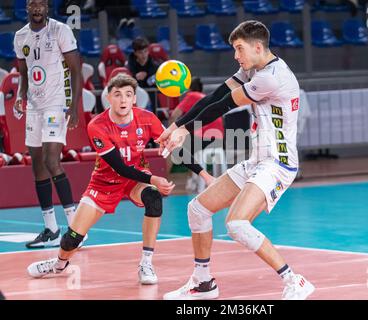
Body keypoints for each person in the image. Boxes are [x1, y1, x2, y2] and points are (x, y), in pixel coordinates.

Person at [157, 20, 315, 300]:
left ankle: (295, 280)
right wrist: (176, 126)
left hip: (278, 165)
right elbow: (215, 95)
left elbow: (223, 106)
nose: (236, 55)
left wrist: (184, 130)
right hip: (257, 161)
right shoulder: (253, 69)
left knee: (237, 224)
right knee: (198, 210)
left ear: (257, 47)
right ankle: (203, 283)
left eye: (239, 49)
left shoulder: (271, 77)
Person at [26, 74, 176, 284]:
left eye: (128, 95)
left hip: (135, 181)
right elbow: (119, 167)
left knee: (153, 199)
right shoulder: (97, 125)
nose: (123, 100)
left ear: (134, 98)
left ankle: (146, 263)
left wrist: (205, 175)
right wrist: (153, 179)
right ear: (108, 98)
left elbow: (174, 147)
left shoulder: (147, 118)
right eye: (117, 95)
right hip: (104, 183)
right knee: (72, 239)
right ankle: (58, 264)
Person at [13, 0, 83, 249]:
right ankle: (51, 229)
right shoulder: (20, 36)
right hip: (34, 107)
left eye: (42, 3)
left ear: (47, 7)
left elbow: (76, 70)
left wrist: (74, 106)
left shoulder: (60, 30)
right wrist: (21, 95)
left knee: (52, 161)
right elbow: (23, 71)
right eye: (33, 3)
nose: (37, 8)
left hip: (56, 104)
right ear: (27, 7)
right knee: (38, 167)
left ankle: (76, 229)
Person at [169, 77, 224, 192]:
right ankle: (193, 179)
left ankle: (169, 178)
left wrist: (170, 132)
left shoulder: (191, 96)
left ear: (188, 88)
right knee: (188, 144)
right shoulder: (205, 97)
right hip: (220, 139)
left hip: (205, 138)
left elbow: (174, 115)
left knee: (174, 146)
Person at [127, 37, 159, 112]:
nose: (144, 55)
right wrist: (134, 77)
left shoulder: (155, 65)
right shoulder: (129, 66)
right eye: (140, 52)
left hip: (152, 99)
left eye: (145, 51)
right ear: (135, 53)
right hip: (136, 100)